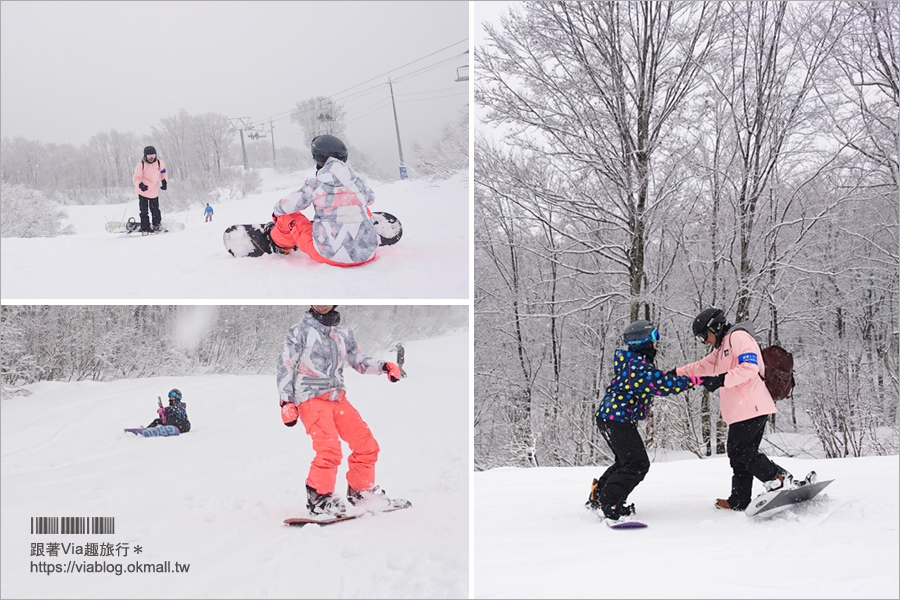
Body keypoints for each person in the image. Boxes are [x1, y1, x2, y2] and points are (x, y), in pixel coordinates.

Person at [672, 308, 813, 511]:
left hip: (752, 405)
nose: (704, 341)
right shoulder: (721, 350)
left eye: (704, 336)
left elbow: (749, 367)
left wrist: (720, 379)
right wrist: (674, 373)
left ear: (715, 326)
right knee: (739, 455)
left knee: (741, 451)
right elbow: (700, 367)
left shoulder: (739, 337)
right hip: (741, 410)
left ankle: (776, 479)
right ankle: (740, 499)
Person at [277, 305, 408, 517]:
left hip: (337, 398)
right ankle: (319, 499)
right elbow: (286, 365)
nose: (321, 303)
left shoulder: (343, 333)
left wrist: (383, 366)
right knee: (328, 450)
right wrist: (286, 402)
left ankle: (362, 492)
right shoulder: (299, 331)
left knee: (366, 445)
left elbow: (358, 359)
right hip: (310, 397)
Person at [586, 320, 701, 524]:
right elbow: (662, 385)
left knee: (625, 462)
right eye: (654, 338)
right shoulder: (637, 367)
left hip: (610, 418)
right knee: (637, 464)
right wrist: (694, 380)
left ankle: (599, 495)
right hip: (617, 420)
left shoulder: (634, 363)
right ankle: (610, 503)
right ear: (644, 341)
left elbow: (655, 379)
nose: (656, 344)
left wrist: (672, 375)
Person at [269, 135, 380, 267]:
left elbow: (287, 206)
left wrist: (276, 215)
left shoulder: (316, 184)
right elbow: (370, 198)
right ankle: (365, 233)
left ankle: (280, 245)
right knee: (358, 206)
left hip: (327, 255)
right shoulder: (358, 182)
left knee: (287, 217)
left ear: (318, 158)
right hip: (367, 254)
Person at [132, 145, 168, 235]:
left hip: (154, 191)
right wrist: (140, 185)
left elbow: (163, 172)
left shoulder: (160, 163)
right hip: (143, 191)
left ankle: (157, 225)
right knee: (144, 211)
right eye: (149, 156)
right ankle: (145, 228)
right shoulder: (141, 165)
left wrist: (164, 181)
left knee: (155, 210)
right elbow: (136, 177)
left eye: (153, 156)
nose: (151, 158)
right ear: (145, 156)